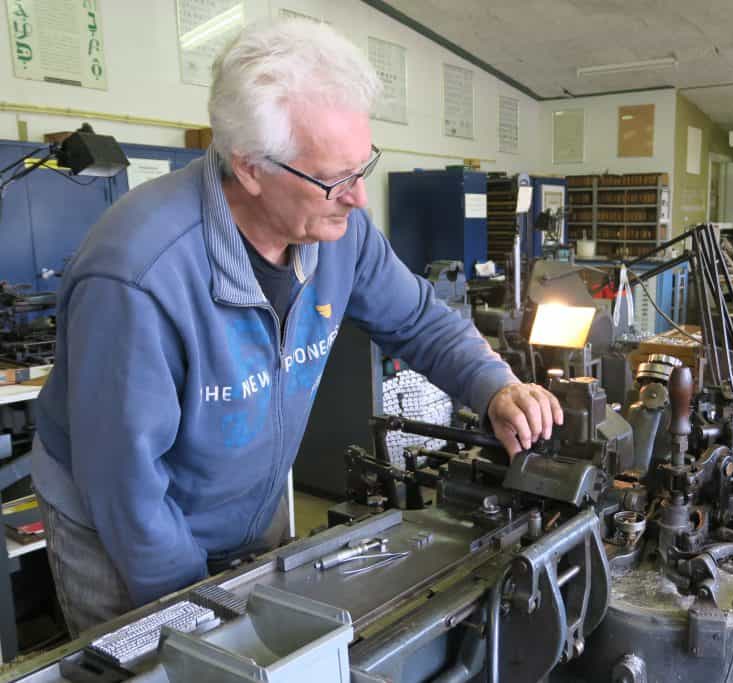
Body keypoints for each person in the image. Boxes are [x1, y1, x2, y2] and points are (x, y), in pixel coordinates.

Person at [30, 19, 562, 636]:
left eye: (363, 168)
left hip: (244, 508)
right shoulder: (137, 276)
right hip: (118, 531)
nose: (359, 198)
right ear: (250, 168)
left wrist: (494, 386)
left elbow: (417, 318)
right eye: (337, 179)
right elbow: (127, 490)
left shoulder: (340, 232)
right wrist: (204, 617)